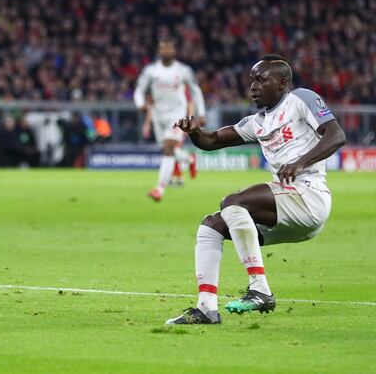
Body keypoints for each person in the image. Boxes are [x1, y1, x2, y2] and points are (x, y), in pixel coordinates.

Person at [166, 55, 346, 325]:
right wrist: (194, 131)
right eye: (251, 81)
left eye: (261, 80)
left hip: (309, 196)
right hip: (284, 210)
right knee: (211, 225)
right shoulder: (257, 122)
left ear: (282, 82)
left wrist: (299, 163)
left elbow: (336, 135)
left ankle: (260, 289)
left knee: (233, 202)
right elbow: (212, 140)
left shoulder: (301, 99)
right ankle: (206, 309)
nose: (253, 87)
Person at [134, 39, 205, 202]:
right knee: (166, 148)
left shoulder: (183, 70)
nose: (166, 51)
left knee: (168, 147)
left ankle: (159, 189)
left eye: (169, 48)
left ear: (174, 51)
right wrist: (140, 104)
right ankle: (189, 159)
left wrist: (200, 114)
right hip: (158, 115)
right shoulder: (151, 71)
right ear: (159, 51)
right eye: (163, 48)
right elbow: (139, 90)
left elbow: (195, 91)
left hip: (177, 114)